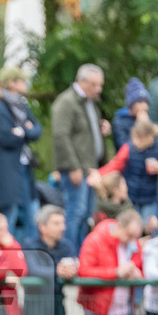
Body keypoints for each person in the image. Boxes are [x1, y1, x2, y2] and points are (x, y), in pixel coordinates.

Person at [52, 64, 111, 249]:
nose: (98, 89)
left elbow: (84, 133)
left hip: (91, 168)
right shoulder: (66, 102)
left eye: (100, 85)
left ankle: (82, 258)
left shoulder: (89, 103)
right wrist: (72, 167)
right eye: (95, 85)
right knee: (75, 214)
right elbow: (60, 135)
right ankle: (69, 256)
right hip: (76, 170)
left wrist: (102, 129)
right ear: (82, 81)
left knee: (87, 215)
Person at [76, 210, 144, 315]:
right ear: (119, 226)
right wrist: (115, 272)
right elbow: (84, 271)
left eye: (135, 236)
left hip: (124, 311)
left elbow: (141, 267)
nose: (132, 239)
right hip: (97, 312)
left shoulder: (133, 244)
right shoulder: (95, 240)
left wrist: (138, 275)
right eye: (129, 235)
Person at [0, 67, 43, 245]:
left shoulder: (23, 105)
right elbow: (6, 137)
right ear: (12, 83)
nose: (25, 84)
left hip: (25, 168)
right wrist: (26, 131)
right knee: (9, 214)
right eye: (21, 80)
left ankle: (29, 258)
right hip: (6, 170)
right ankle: (6, 257)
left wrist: (22, 131)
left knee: (32, 212)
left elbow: (37, 130)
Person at [90, 120, 158, 232]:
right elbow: (116, 164)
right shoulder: (129, 147)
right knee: (132, 226)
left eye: (138, 139)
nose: (135, 142)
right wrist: (99, 173)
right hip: (131, 196)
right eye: (134, 138)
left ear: (148, 138)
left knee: (148, 227)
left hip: (150, 197)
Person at [22, 206, 78, 315]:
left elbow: (75, 265)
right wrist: (57, 271)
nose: (63, 228)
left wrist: (72, 271)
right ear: (42, 226)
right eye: (57, 223)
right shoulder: (30, 245)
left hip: (57, 313)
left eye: (63, 223)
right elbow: (33, 269)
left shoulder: (66, 245)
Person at [112, 78, 151, 151]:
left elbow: (157, 146)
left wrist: (148, 126)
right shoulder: (120, 121)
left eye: (146, 102)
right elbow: (123, 148)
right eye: (140, 102)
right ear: (131, 105)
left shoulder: (148, 119)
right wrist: (140, 125)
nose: (144, 106)